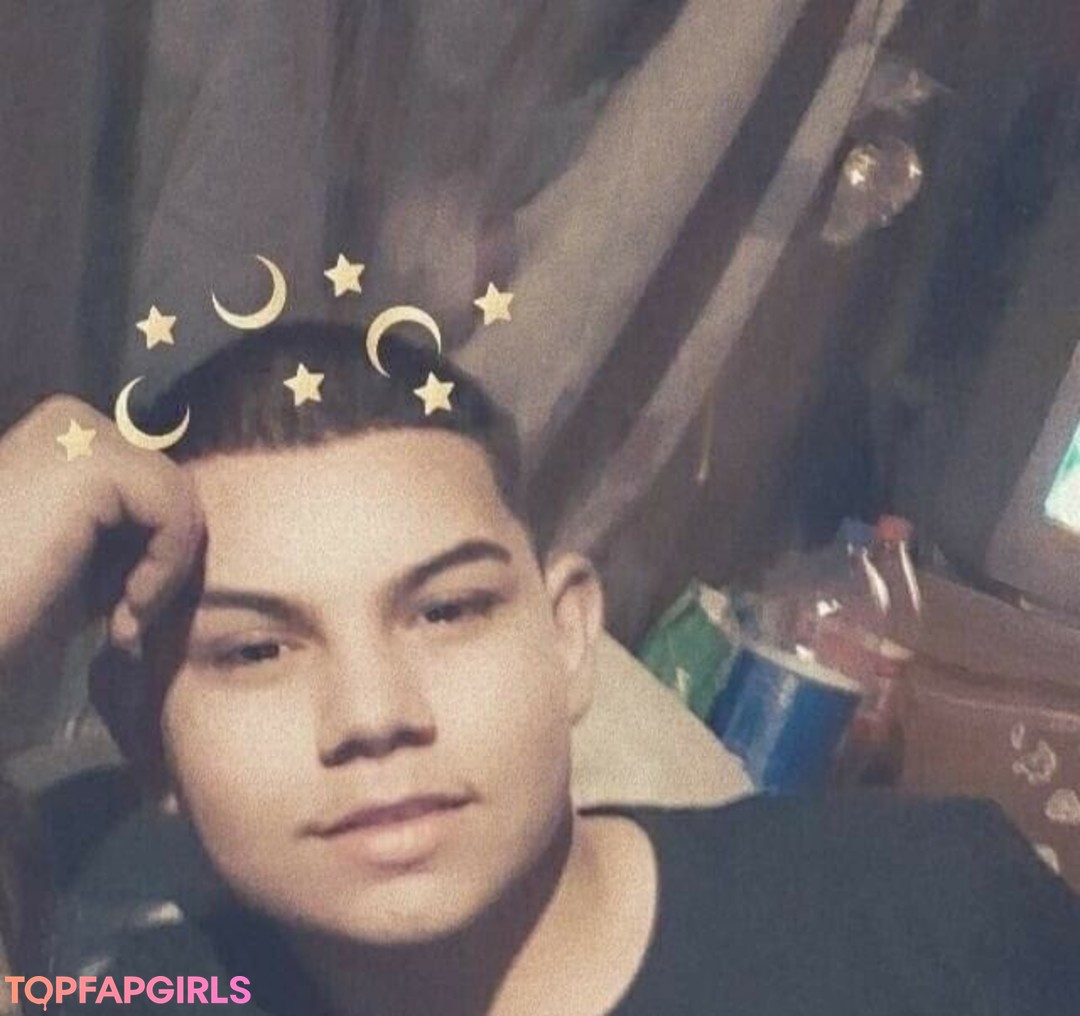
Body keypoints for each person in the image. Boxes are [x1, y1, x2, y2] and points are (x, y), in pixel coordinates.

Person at [1, 322, 1078, 1015]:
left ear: (568, 638)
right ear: (143, 732)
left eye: (448, 609)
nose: (373, 714)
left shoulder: (935, 908)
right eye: (257, 650)